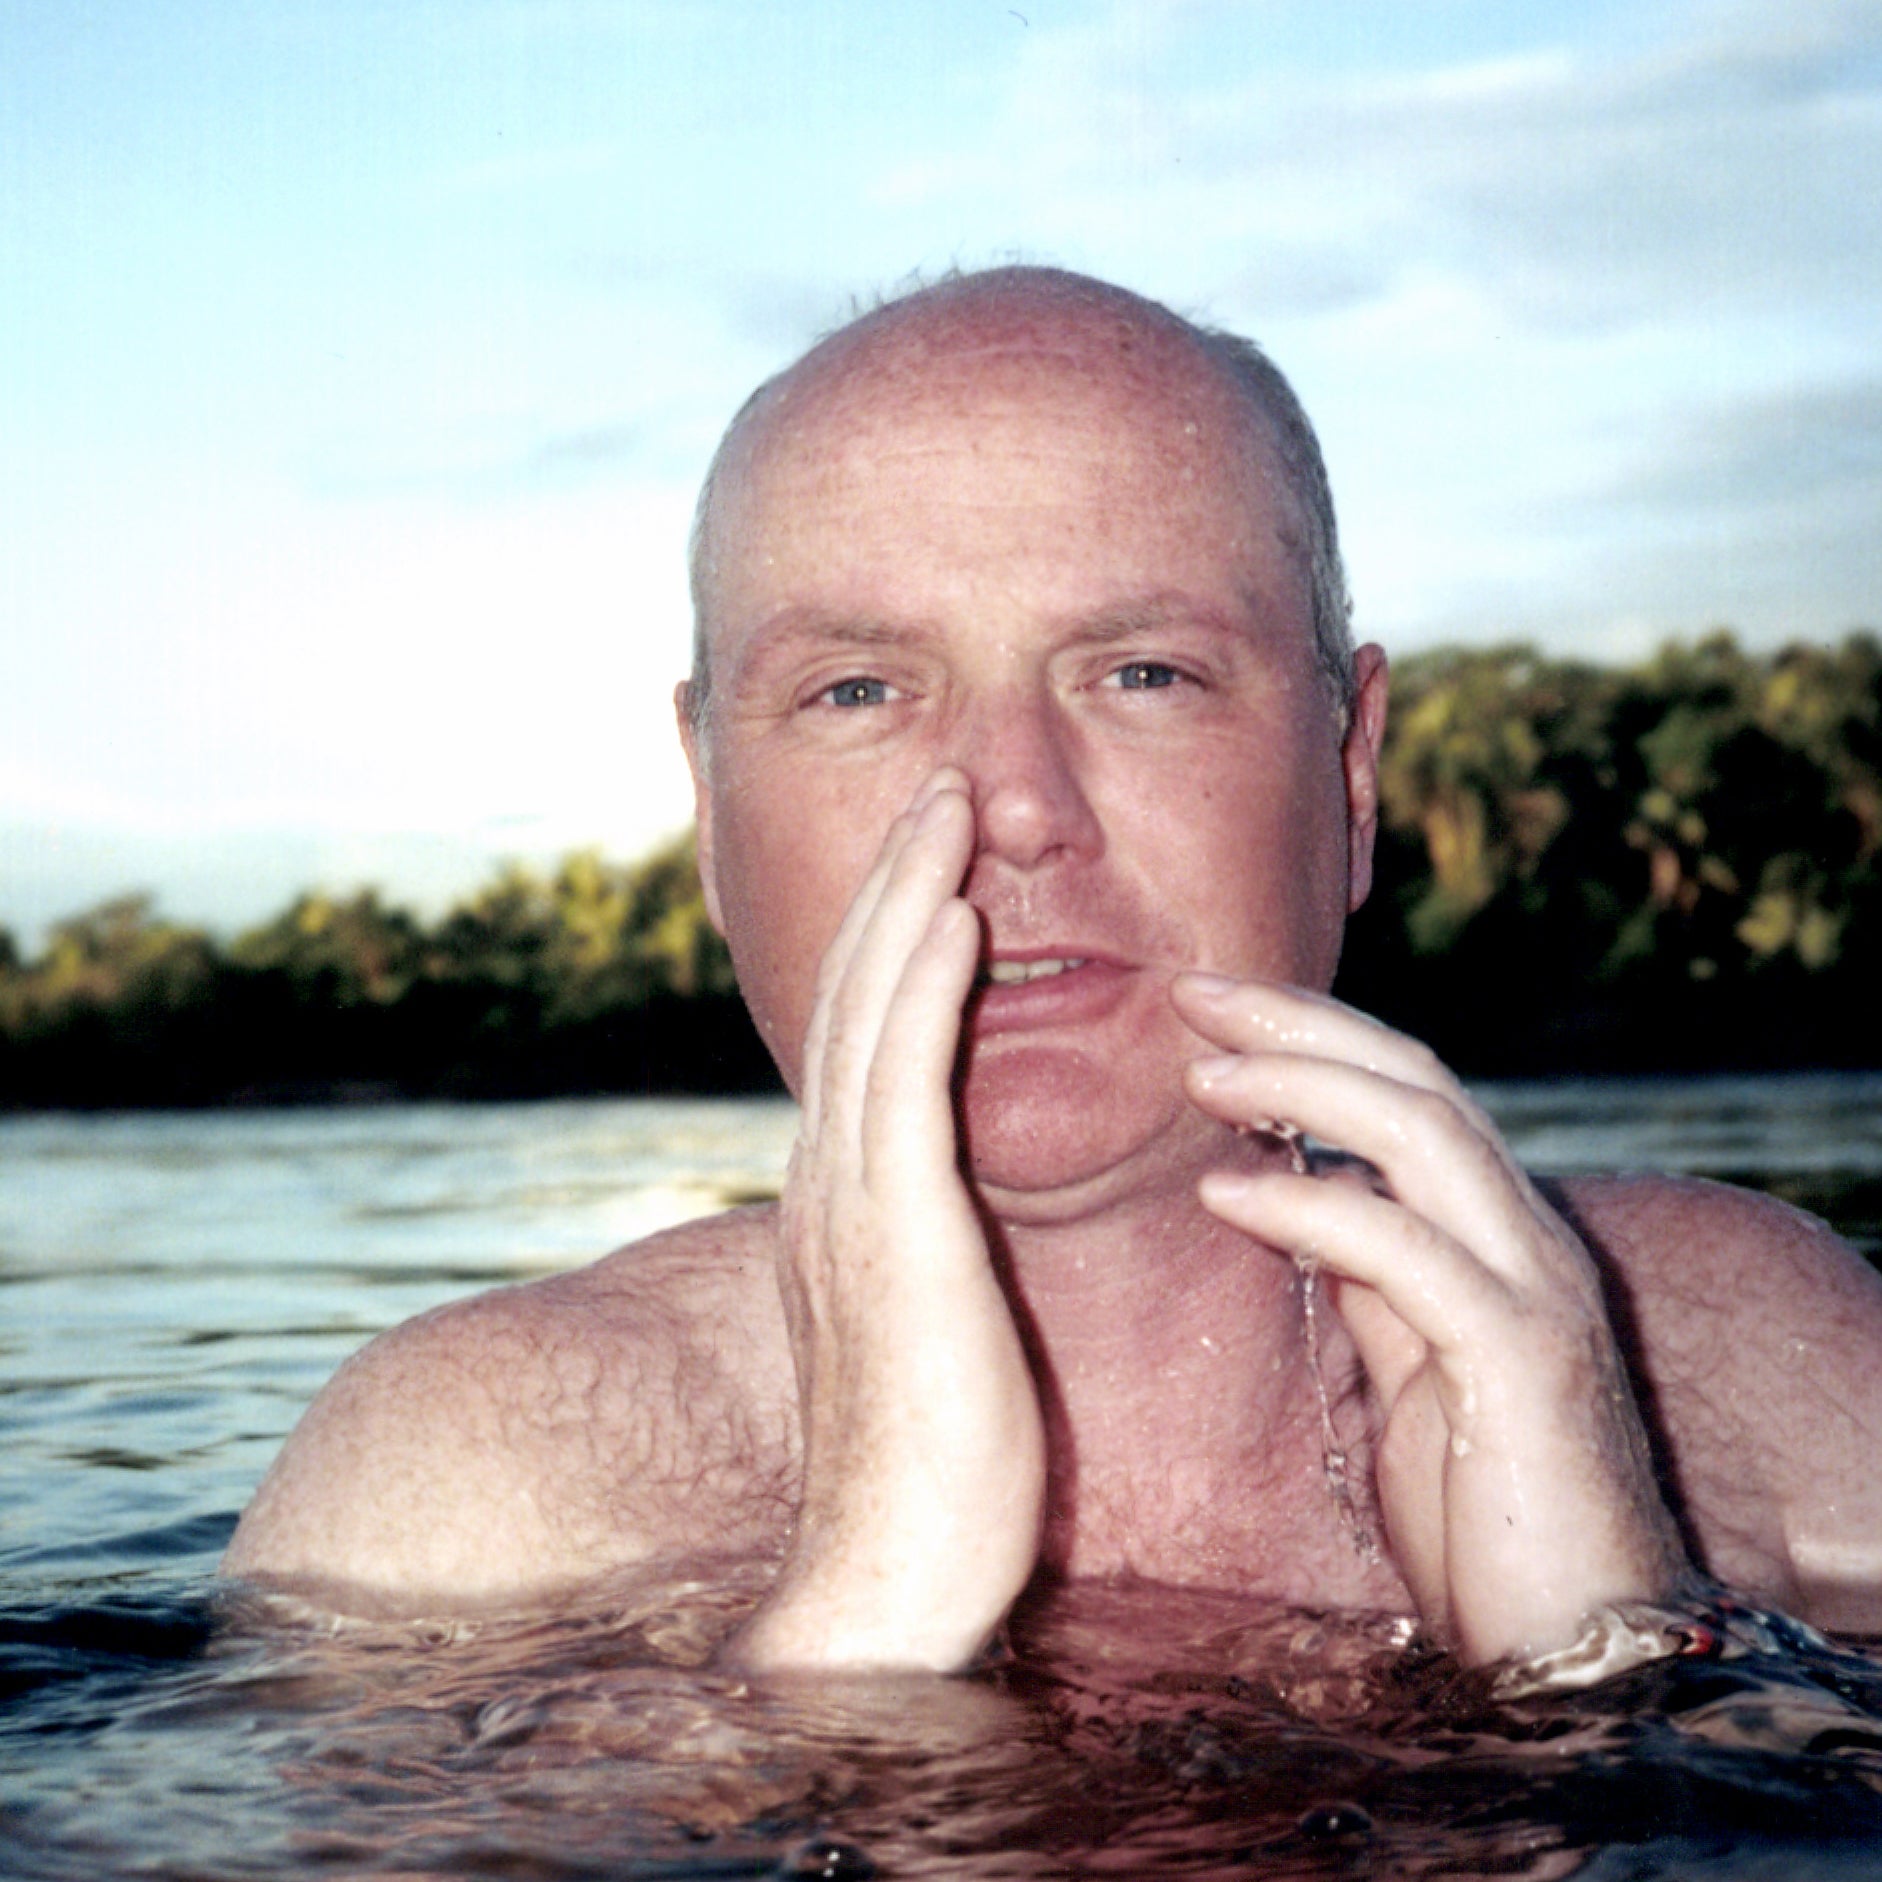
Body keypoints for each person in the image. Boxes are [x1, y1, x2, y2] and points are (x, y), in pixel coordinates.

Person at [222, 267, 1882, 1674]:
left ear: (1351, 771)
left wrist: (1603, 1666)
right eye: (859, 689)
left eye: (1143, 670)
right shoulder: (467, 1484)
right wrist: (860, 1621)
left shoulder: (1750, 1355)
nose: (1014, 804)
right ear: (711, 810)